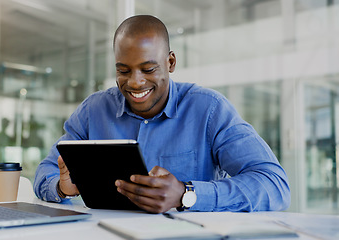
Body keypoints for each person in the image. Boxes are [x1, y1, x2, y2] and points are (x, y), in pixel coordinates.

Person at [34, 15, 290, 213]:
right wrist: (62, 187)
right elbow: (46, 169)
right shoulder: (93, 110)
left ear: (170, 63)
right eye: (123, 71)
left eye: (148, 69)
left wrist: (185, 194)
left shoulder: (209, 109)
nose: (134, 83)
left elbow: (274, 185)